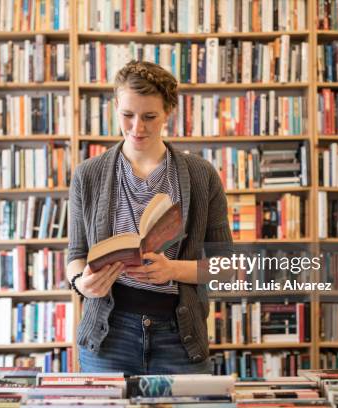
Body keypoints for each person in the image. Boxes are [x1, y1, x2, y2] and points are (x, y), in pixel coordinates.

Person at [67, 60, 232, 375]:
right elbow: (77, 254)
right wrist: (81, 283)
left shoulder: (202, 176)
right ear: (115, 106)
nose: (137, 128)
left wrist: (171, 269)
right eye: (127, 115)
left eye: (150, 117)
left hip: (179, 336)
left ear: (169, 112)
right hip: (108, 337)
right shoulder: (88, 175)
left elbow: (225, 268)